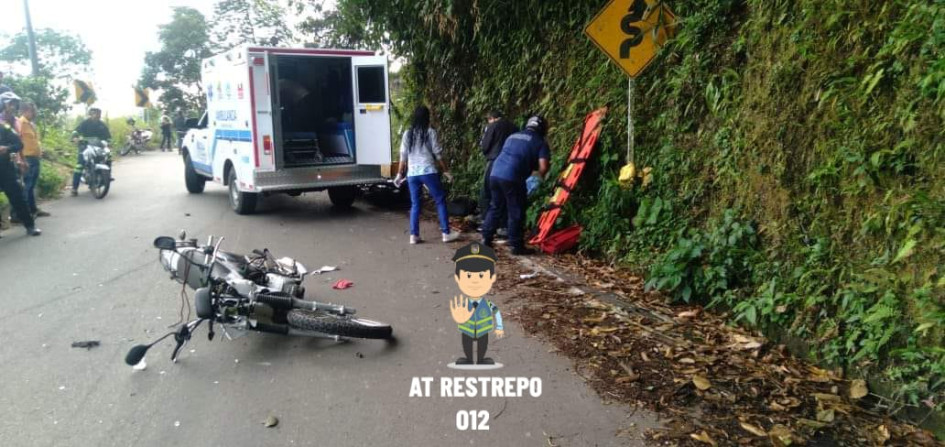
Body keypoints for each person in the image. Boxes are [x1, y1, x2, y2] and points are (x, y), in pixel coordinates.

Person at [481, 115, 551, 255]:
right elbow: (543, 167)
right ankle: (516, 245)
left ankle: (486, 239)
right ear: (543, 129)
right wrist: (538, 177)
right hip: (512, 177)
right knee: (515, 210)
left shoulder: (513, 136)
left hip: (495, 173)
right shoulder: (540, 142)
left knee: (496, 207)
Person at [398, 105, 460, 244]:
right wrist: (446, 171)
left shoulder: (408, 134)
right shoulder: (430, 132)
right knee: (440, 200)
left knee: (415, 204)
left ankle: (414, 235)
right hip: (428, 171)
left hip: (412, 173)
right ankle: (446, 233)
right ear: (427, 117)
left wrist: (399, 174)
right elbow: (438, 154)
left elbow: (403, 156)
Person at [449, 242, 504, 365]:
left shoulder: (488, 303)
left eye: (481, 275)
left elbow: (496, 312)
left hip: (483, 330)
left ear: (492, 278)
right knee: (467, 343)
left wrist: (499, 327)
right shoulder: (464, 303)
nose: (474, 281)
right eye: (468, 275)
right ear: (458, 278)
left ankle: (480, 359)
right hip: (467, 329)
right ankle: (468, 358)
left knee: (482, 344)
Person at [0, 92, 41, 236]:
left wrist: (7, 148)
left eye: (14, 104)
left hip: (5, 167)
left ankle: (30, 226)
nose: (13, 107)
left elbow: (19, 144)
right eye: (10, 104)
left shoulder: (5, 126)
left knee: (17, 196)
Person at [478, 110, 517, 228]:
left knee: (486, 192)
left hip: (494, 162)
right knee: (506, 194)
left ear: (491, 118)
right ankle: (504, 224)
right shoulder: (513, 126)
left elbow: (485, 146)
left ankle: (486, 221)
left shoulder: (492, 126)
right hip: (511, 162)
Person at [17, 101, 49, 219]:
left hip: (34, 158)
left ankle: (33, 209)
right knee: (28, 185)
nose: (34, 113)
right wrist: (20, 159)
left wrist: (40, 151)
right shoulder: (20, 123)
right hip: (27, 158)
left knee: (31, 185)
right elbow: (17, 141)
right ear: (24, 111)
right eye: (32, 110)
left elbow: (34, 141)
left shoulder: (31, 124)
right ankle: (25, 213)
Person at [72, 107, 111, 196]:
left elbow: (108, 137)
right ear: (91, 114)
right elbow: (75, 131)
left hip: (98, 147)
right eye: (95, 113)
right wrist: (75, 138)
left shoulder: (102, 125)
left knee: (108, 158)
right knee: (80, 165)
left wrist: (109, 143)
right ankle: (74, 188)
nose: (97, 115)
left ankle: (107, 177)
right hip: (85, 146)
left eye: (99, 113)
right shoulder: (85, 123)